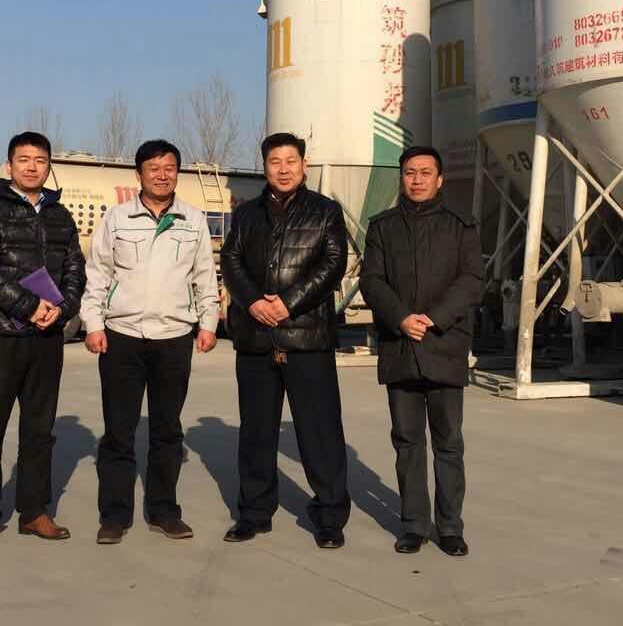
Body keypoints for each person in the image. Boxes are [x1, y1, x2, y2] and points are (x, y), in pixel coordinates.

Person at [81, 139, 220, 544]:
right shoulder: (117, 218)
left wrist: (208, 323)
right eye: (154, 168)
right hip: (122, 337)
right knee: (118, 431)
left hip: (173, 338)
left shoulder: (192, 220)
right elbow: (98, 273)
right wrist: (93, 324)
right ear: (139, 174)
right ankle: (115, 515)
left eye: (169, 168)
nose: (162, 175)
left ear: (178, 173)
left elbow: (204, 276)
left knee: (167, 430)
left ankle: (164, 511)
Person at [220, 132, 350, 548]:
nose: (283, 169)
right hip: (256, 337)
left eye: (291, 161)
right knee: (256, 432)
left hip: (307, 338)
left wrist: (288, 304)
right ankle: (254, 513)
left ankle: (329, 517)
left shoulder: (325, 211)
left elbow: (334, 263)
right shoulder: (246, 214)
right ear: (265, 167)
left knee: (319, 432)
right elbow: (231, 261)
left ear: (304, 165)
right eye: (275, 162)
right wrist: (254, 302)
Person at [0, 131, 86, 553]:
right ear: (9, 165)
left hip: (46, 338)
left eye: (40, 160)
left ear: (49, 165)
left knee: (39, 430)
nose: (32, 167)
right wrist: (29, 305)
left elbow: (75, 269)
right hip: (2, 335)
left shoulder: (60, 215)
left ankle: (34, 511)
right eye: (24, 159)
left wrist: (62, 309)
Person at [360, 146, 481, 557]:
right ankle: (413, 524)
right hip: (400, 347)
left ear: (439, 179)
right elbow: (372, 280)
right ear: (402, 178)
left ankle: (449, 527)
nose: (417, 179)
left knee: (448, 443)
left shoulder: (460, 225)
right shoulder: (382, 227)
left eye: (425, 172)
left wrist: (433, 318)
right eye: (410, 172)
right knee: (407, 441)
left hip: (444, 345)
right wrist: (401, 319)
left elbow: (472, 280)